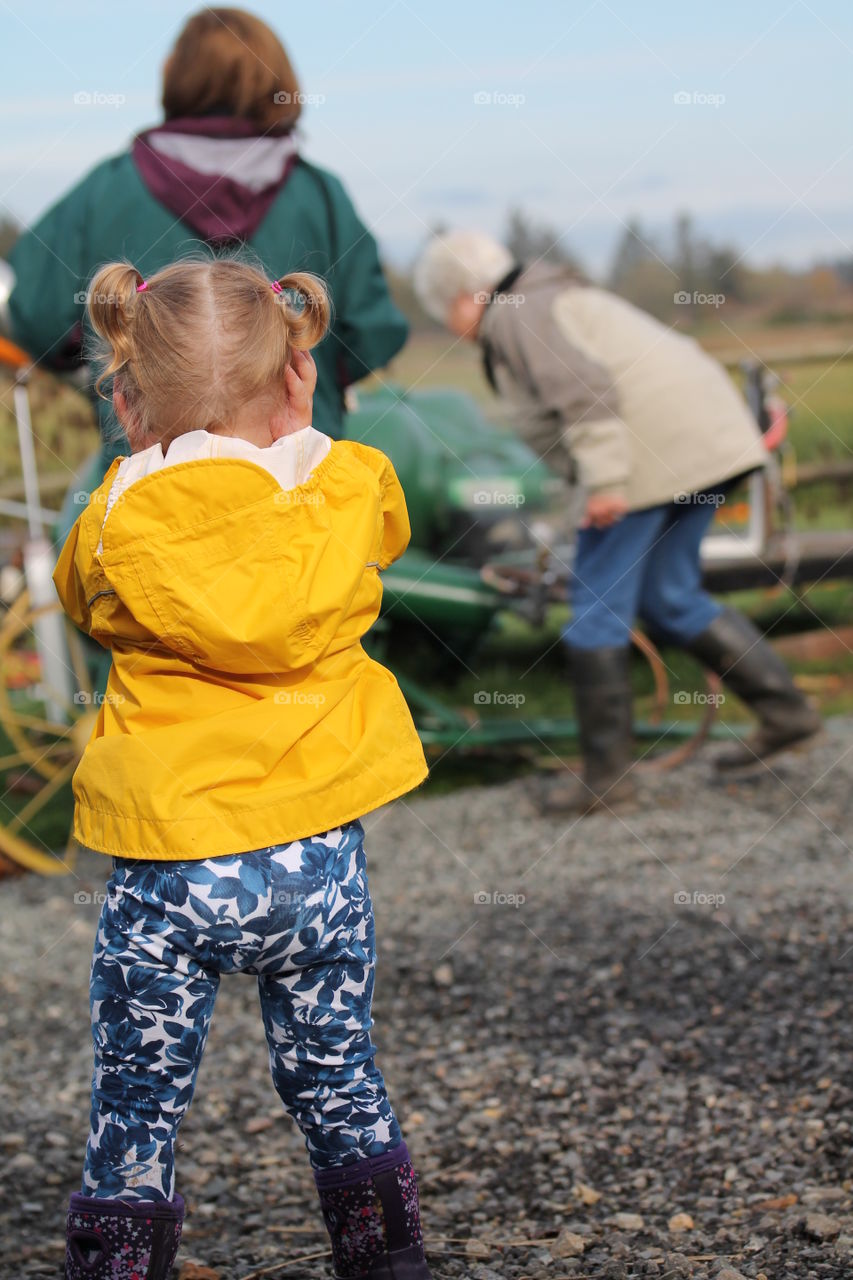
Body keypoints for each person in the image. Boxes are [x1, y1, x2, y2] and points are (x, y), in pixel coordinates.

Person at [53, 256, 431, 1280]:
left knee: (138, 1096)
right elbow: (383, 524)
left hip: (174, 861)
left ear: (128, 400)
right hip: (314, 862)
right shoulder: (343, 485)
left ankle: (117, 1261)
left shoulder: (113, 520)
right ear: (296, 376)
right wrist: (302, 437)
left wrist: (147, 463)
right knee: (337, 1073)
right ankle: (385, 1257)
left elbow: (84, 603)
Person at [414, 230, 821, 814]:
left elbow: (585, 395)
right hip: (709, 441)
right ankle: (789, 713)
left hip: (648, 456)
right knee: (669, 593)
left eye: (445, 313)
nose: (452, 328)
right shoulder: (549, 296)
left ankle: (608, 782)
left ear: (460, 297)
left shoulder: (515, 314)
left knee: (595, 612)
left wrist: (604, 484)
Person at [8, 5, 407, 538]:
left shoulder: (104, 190)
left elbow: (34, 314)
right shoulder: (321, 196)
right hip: (300, 503)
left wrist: (119, 367)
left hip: (150, 502)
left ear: (176, 82)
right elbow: (374, 330)